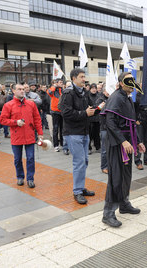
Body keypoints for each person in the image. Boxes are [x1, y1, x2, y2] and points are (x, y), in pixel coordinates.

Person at [102, 72, 145, 228]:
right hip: (117, 144)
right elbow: (110, 123)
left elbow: (131, 124)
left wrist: (138, 142)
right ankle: (108, 214)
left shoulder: (127, 98)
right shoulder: (116, 98)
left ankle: (124, 204)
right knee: (116, 178)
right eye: (129, 81)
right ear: (121, 83)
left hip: (127, 143)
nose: (132, 84)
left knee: (126, 176)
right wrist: (123, 141)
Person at [60, 68, 97, 204]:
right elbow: (66, 113)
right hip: (73, 133)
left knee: (84, 161)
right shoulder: (68, 93)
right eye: (81, 77)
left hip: (84, 132)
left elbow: (90, 109)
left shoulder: (84, 93)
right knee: (79, 162)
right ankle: (77, 191)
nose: (84, 79)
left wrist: (98, 108)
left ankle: (80, 188)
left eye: (84, 76)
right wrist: (84, 114)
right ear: (74, 78)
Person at [0, 83, 43, 188]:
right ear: (13, 91)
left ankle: (30, 179)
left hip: (29, 135)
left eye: (23, 89)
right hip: (16, 136)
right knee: (17, 159)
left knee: (30, 158)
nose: (22, 91)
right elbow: (2, 120)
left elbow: (37, 119)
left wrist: (40, 134)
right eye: (19, 89)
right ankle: (20, 177)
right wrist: (15, 122)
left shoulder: (31, 104)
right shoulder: (8, 105)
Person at [48, 79, 67, 153]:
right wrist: (54, 86)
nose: (62, 83)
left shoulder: (63, 90)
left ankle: (62, 143)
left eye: (62, 82)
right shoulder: (52, 90)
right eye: (60, 82)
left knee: (62, 128)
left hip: (62, 111)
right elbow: (49, 92)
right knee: (55, 128)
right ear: (56, 83)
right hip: (55, 111)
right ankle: (56, 145)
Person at [96, 88, 109, 174]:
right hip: (104, 127)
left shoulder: (113, 98)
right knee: (104, 149)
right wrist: (103, 106)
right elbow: (98, 111)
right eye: (107, 91)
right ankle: (104, 166)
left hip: (112, 127)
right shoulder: (100, 100)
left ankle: (110, 165)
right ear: (104, 91)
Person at [88, 83, 101, 154]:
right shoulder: (87, 96)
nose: (94, 89)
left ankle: (98, 147)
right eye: (92, 88)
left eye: (95, 88)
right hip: (89, 117)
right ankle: (89, 148)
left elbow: (100, 105)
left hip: (97, 117)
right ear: (90, 89)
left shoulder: (99, 96)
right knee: (89, 134)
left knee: (97, 133)